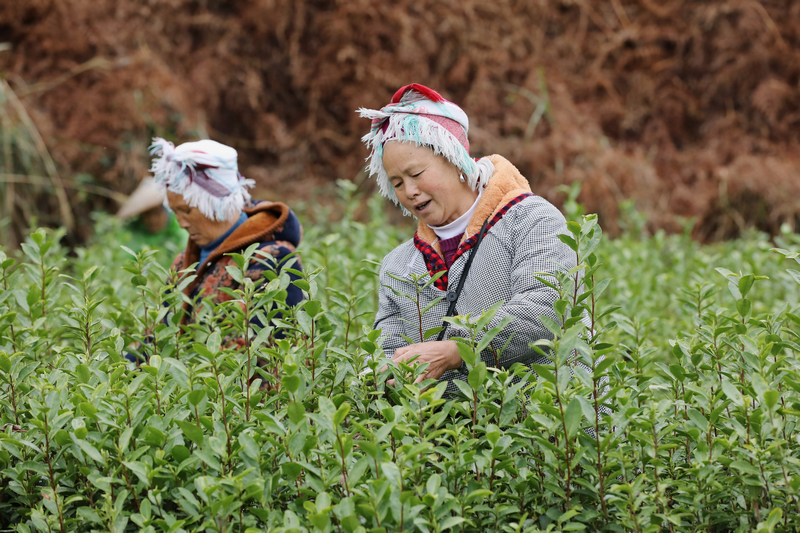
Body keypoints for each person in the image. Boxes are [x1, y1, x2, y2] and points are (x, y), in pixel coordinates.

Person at [358, 84, 584, 393]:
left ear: (454, 158)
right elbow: (388, 348)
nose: (409, 191)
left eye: (417, 174)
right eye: (397, 183)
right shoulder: (398, 265)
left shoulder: (533, 220)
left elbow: (547, 309)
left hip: (547, 415)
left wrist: (458, 350)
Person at [148, 138, 304, 331]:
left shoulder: (272, 260)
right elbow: (158, 337)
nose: (181, 224)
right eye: (175, 212)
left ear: (217, 203)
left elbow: (260, 343)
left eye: (187, 211)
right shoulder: (183, 264)